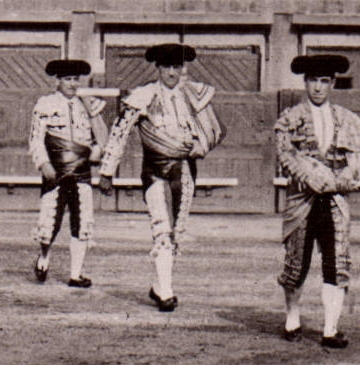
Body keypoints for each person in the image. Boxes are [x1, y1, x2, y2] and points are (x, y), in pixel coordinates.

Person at [96, 44, 224, 311]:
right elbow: (120, 131)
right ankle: (166, 291)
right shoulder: (144, 95)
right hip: (155, 170)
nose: (172, 72)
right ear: (158, 68)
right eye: (167, 67)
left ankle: (159, 285)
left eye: (177, 67)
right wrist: (107, 170)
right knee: (161, 228)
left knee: (177, 231)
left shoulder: (192, 95)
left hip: (185, 170)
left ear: (182, 68)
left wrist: (199, 147)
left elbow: (211, 131)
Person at [275, 54, 360, 348]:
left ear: (332, 83)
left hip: (334, 201)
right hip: (301, 200)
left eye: (324, 81)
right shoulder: (290, 118)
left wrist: (346, 175)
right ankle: (292, 317)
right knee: (296, 264)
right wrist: (310, 176)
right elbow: (285, 154)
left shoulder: (347, 118)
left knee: (336, 263)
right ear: (305, 82)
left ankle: (330, 329)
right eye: (313, 81)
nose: (318, 87)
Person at [28, 58, 107, 287]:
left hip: (81, 171)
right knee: (49, 222)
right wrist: (43, 164)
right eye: (67, 79)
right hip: (56, 170)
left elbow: (101, 137)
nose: (72, 84)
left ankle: (75, 273)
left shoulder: (88, 105)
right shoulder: (45, 104)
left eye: (75, 79)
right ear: (58, 81)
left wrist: (96, 152)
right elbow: (36, 139)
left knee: (82, 221)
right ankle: (43, 257)